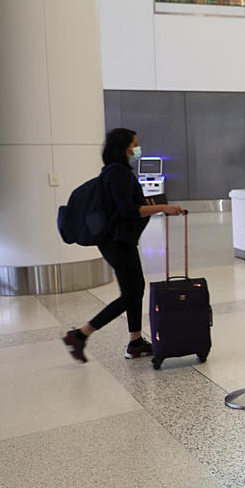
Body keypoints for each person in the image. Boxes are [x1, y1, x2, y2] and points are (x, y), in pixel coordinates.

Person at [62, 128, 185, 363]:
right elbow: (128, 210)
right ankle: (80, 334)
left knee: (135, 288)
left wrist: (147, 205)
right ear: (124, 149)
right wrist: (162, 207)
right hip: (116, 242)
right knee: (131, 292)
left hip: (119, 240)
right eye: (134, 146)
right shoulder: (117, 173)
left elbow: (126, 207)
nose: (137, 150)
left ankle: (135, 341)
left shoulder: (115, 172)